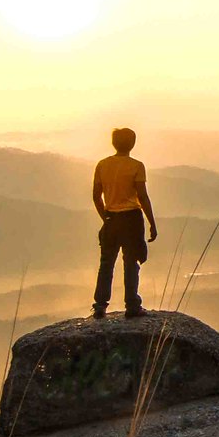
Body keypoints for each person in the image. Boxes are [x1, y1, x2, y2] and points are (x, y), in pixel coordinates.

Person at [91, 127, 158, 318]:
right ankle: (132, 305)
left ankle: (100, 306)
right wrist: (152, 222)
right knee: (131, 262)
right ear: (133, 143)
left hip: (111, 218)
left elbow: (96, 196)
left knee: (106, 263)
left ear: (114, 143)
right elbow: (142, 196)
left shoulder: (102, 165)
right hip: (132, 219)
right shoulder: (136, 166)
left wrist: (106, 217)